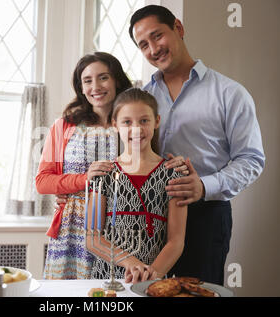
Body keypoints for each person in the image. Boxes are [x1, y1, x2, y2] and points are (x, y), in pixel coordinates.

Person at [128, 5, 265, 285]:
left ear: (178, 28)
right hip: (147, 216)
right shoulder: (142, 97)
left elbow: (251, 160)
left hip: (206, 216)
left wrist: (204, 186)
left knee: (198, 292)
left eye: (157, 36)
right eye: (144, 44)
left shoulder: (230, 94)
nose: (153, 49)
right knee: (143, 290)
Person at [36, 52, 187, 279]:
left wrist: (176, 164)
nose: (95, 86)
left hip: (118, 231)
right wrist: (83, 181)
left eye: (103, 77)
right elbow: (42, 181)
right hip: (75, 229)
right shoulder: (64, 126)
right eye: (87, 81)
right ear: (80, 86)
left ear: (116, 79)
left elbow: (151, 163)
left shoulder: (131, 123)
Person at [85, 88, 187, 284]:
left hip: (153, 280)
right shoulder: (103, 174)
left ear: (157, 121)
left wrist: (151, 274)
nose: (136, 129)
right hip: (108, 278)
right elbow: (92, 238)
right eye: (127, 122)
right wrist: (132, 264)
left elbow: (176, 241)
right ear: (115, 125)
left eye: (144, 121)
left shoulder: (174, 174)